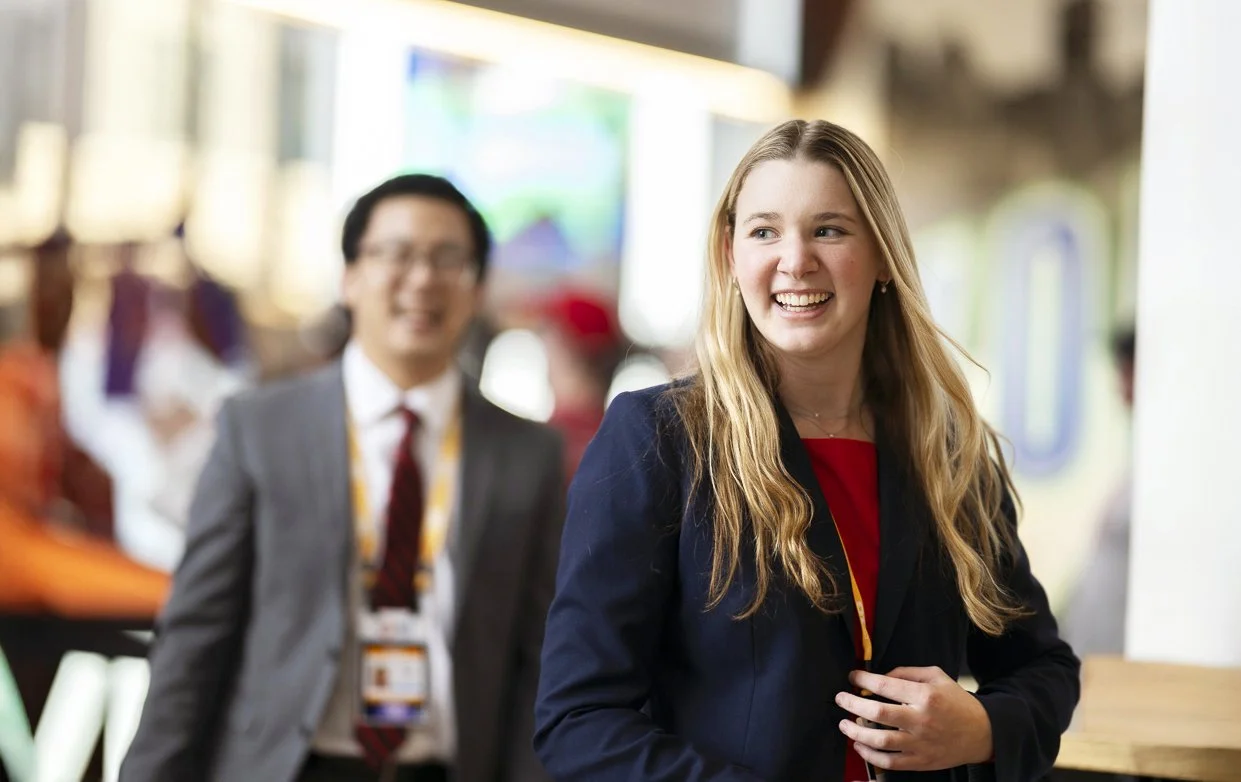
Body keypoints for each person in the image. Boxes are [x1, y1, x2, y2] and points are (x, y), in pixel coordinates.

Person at [534, 120, 1079, 782]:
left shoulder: (947, 454)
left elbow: (1042, 668)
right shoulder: (659, 438)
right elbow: (579, 720)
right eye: (764, 232)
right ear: (730, 256)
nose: (794, 260)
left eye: (828, 230)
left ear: (882, 256)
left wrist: (984, 728)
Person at [121, 174, 565, 782]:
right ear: (350, 277)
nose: (422, 279)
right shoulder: (260, 429)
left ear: (477, 288)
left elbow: (539, 654)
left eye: (448, 259)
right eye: (397, 254)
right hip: (289, 768)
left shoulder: (529, 454)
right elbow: (197, 634)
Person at [1059, 325, 1136, 659]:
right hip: (1094, 660)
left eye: (1127, 373)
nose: (1121, 389)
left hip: (1128, 665)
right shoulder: (1138, 467)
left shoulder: (1176, 476)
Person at [537, 288, 623, 482]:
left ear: (569, 351)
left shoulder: (549, 442)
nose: (544, 348)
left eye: (550, 336)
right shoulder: (619, 440)